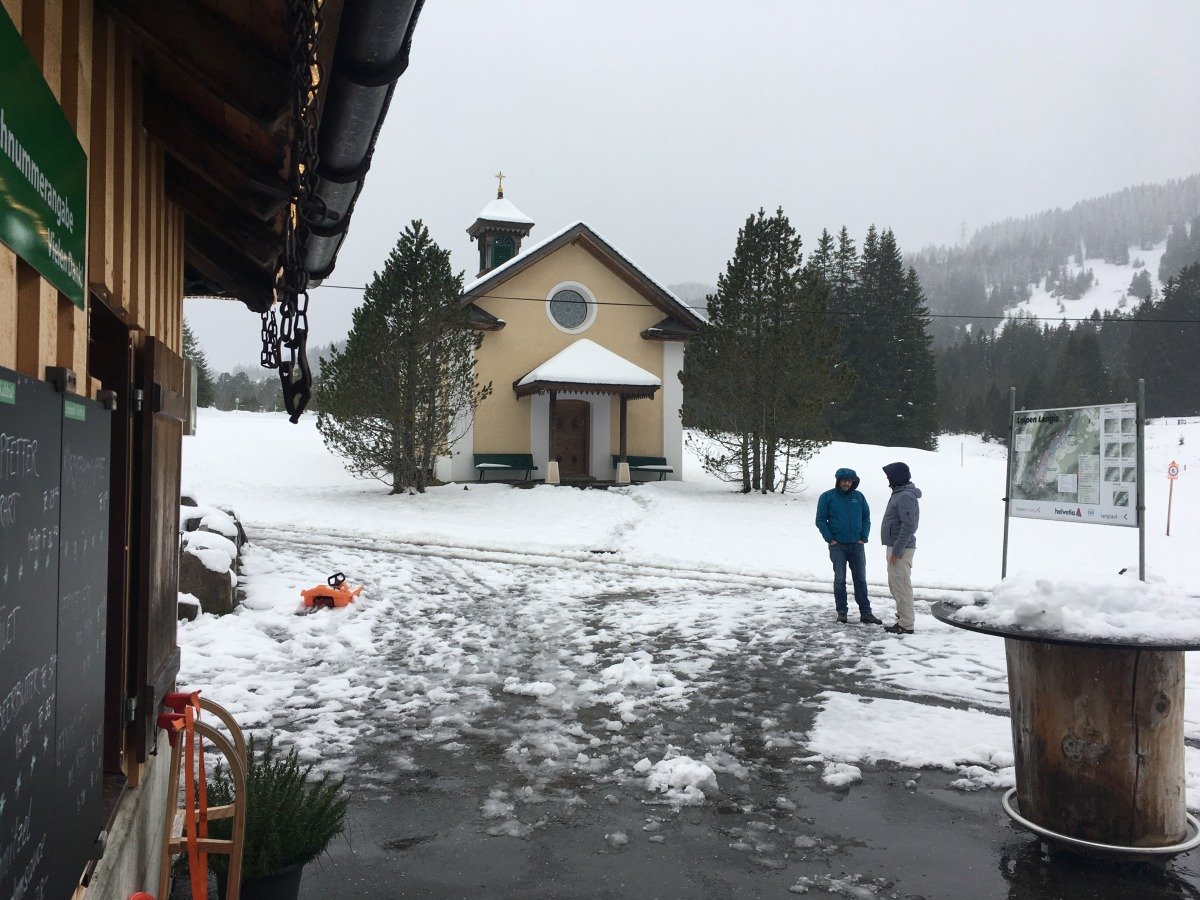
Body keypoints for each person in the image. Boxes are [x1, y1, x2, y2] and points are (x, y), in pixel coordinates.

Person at [815, 468, 881, 625]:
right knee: (840, 579)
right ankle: (842, 612)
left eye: (850, 481)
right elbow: (820, 520)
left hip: (857, 545)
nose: (847, 484)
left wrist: (864, 537)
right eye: (844, 481)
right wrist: (830, 539)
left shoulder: (859, 497)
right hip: (837, 546)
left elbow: (866, 517)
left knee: (860, 579)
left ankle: (866, 613)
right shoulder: (827, 497)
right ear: (838, 481)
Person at [880, 462, 922, 634]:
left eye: (889, 476)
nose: (888, 479)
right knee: (896, 584)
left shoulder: (904, 496)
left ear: (897, 477)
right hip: (897, 546)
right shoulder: (900, 494)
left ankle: (906, 624)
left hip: (900, 549)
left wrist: (896, 550)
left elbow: (909, 525)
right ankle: (903, 618)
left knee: (901, 585)